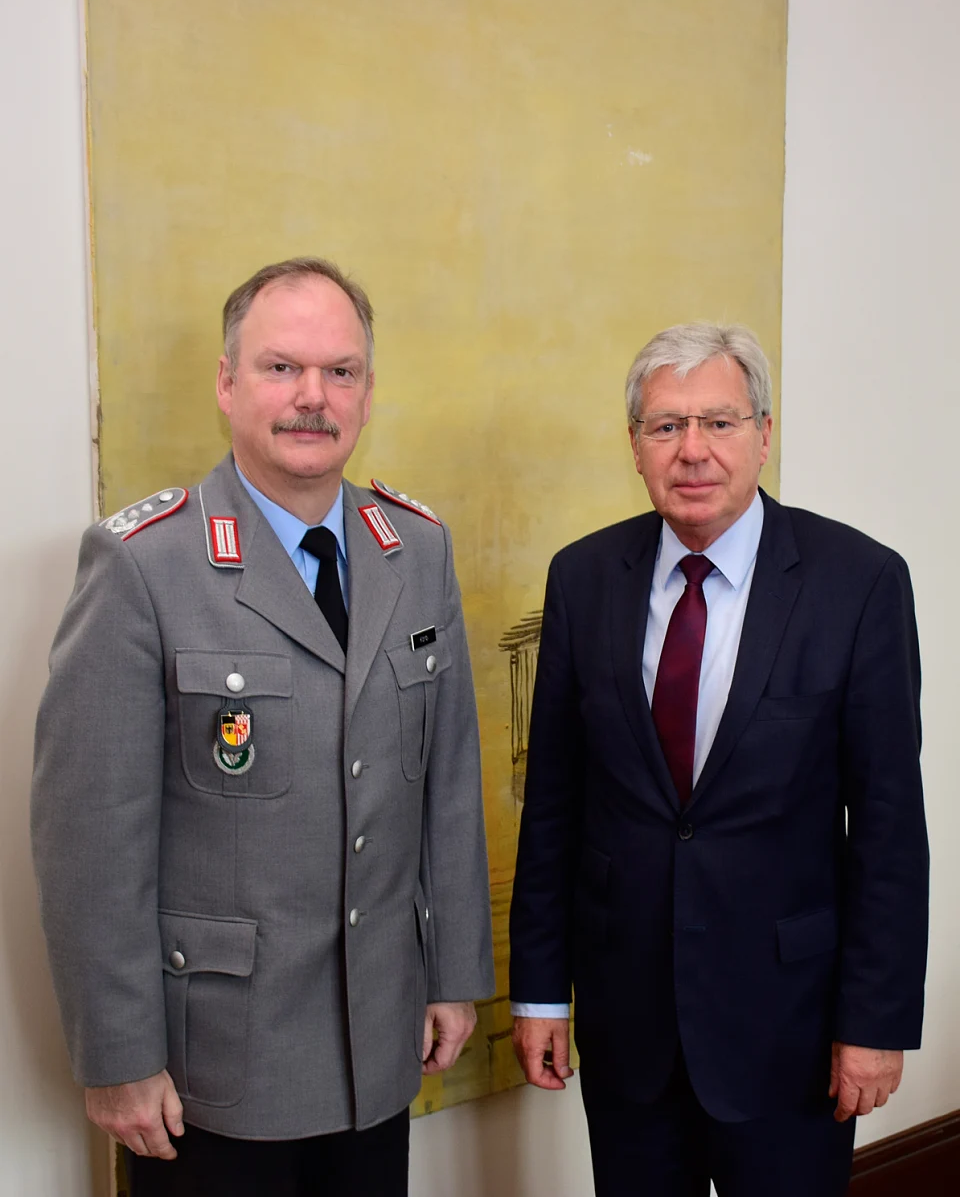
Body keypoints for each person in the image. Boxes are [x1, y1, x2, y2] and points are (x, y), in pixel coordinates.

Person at [32, 256, 494, 1197]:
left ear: (367, 391)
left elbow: (445, 783)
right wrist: (117, 1056)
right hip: (214, 1070)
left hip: (377, 1041)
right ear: (227, 382)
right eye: (282, 367)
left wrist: (452, 975)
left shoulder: (416, 550)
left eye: (341, 371)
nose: (311, 398)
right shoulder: (143, 567)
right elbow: (91, 841)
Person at [509, 323, 928, 1197]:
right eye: (665, 427)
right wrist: (541, 995)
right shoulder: (582, 579)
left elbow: (888, 826)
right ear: (634, 446)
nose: (692, 450)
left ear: (764, 434)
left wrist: (875, 1023)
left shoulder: (858, 582)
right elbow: (554, 805)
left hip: (794, 1035)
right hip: (629, 1035)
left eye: (720, 423)